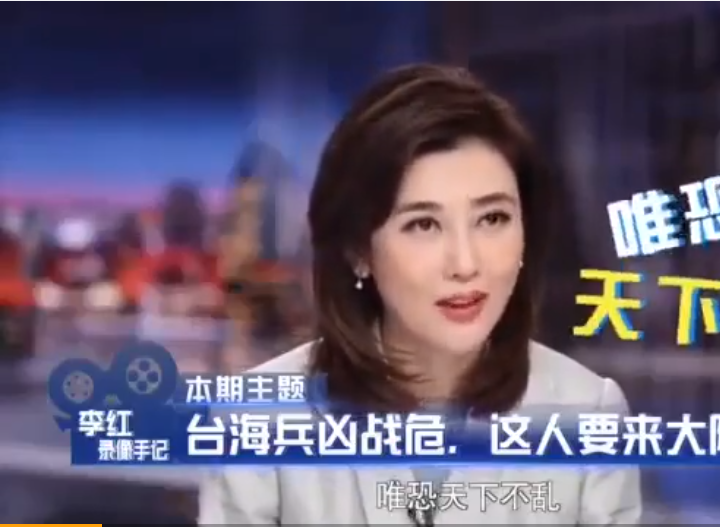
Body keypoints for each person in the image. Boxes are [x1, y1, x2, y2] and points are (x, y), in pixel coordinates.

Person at [199, 64, 641, 525]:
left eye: (492, 219)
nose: (465, 263)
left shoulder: (590, 413)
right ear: (358, 250)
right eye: (424, 224)